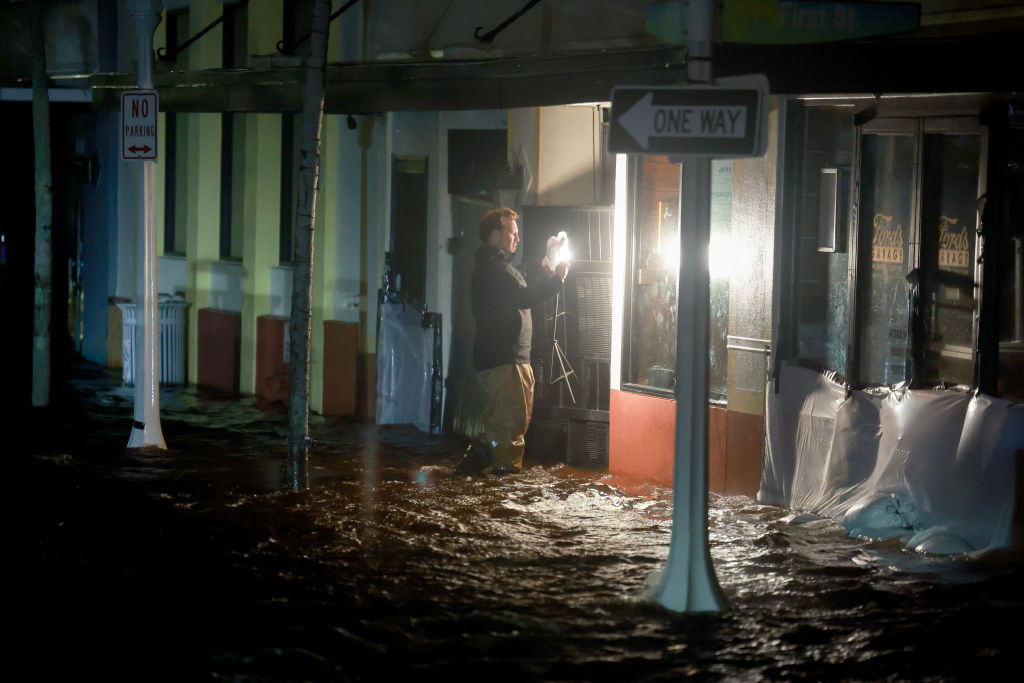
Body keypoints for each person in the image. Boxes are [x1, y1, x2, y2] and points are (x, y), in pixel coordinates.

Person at [467, 207, 569, 474]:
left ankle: (472, 472)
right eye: (512, 232)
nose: (517, 238)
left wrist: (547, 272)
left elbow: (519, 290)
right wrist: (557, 279)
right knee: (509, 431)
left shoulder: (494, 269)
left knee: (498, 426)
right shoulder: (496, 270)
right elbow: (523, 297)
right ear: (495, 234)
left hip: (503, 361)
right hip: (506, 362)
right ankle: (504, 494)